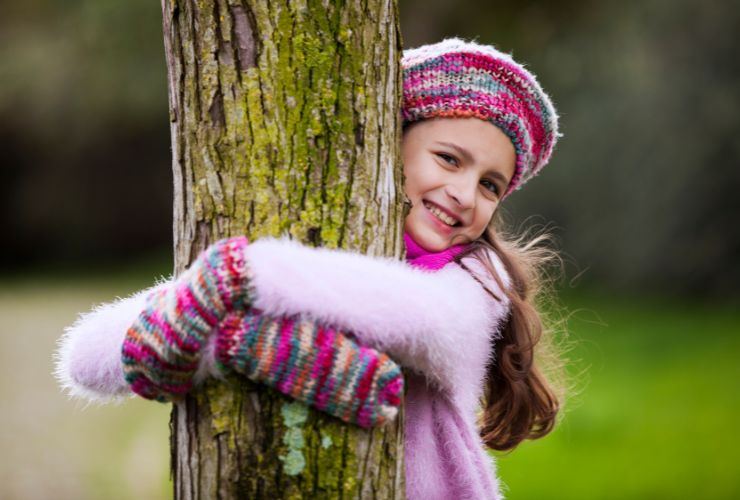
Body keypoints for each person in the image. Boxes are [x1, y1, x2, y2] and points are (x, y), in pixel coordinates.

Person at [55, 38, 565, 499]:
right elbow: (83, 359)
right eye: (450, 159)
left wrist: (246, 272)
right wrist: (234, 342)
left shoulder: (479, 280)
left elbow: (426, 317)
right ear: (392, 142)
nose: (464, 193)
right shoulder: (318, 269)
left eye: (490, 185)